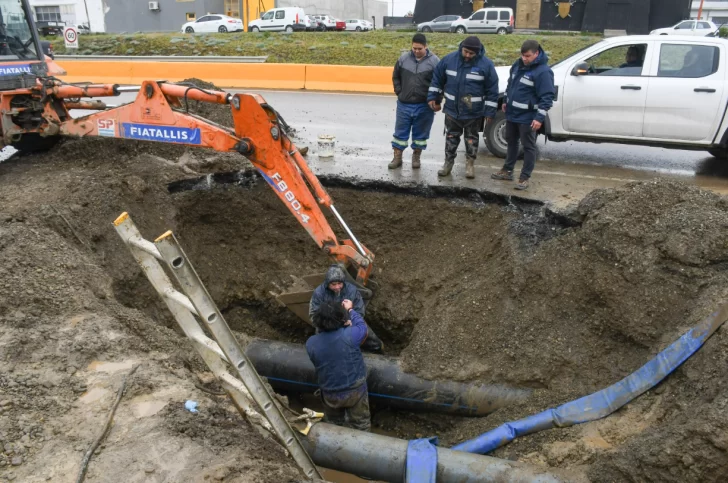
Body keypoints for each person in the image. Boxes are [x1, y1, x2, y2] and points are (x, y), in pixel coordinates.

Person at [427, 36, 499, 179]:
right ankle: (448, 163)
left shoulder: (486, 65)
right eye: (465, 52)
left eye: (471, 54)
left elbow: (492, 90)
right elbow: (437, 79)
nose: (467, 55)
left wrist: (490, 112)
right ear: (461, 48)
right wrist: (433, 97)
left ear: (477, 52)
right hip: (452, 110)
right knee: (451, 137)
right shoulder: (449, 60)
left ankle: (470, 164)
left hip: (474, 112)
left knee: (471, 138)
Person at [491, 40, 555, 190]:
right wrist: (506, 100)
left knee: (528, 147)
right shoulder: (517, 65)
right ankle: (507, 170)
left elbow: (547, 97)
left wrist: (539, 118)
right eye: (523, 55)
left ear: (536, 53)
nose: (524, 59)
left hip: (528, 116)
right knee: (511, 142)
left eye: (528, 56)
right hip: (512, 113)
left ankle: (524, 178)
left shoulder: (543, 72)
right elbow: (510, 84)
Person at [306, 299, 371, 431]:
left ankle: (334, 445)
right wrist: (350, 310)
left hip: (329, 392)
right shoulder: (351, 335)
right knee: (361, 425)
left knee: (334, 426)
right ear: (341, 319)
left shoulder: (311, 343)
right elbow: (363, 328)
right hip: (355, 390)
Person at [390, 33, 440, 170]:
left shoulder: (435, 62)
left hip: (424, 106)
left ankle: (416, 157)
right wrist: (399, 92)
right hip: (404, 104)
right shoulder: (403, 59)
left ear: (426, 46)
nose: (417, 51)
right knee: (400, 133)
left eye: (419, 49)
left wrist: (436, 99)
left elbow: (440, 82)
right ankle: (397, 157)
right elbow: (396, 77)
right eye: (414, 48)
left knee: (420, 135)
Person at [309, 264, 384, 353]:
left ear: (343, 282)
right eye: (333, 284)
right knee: (321, 349)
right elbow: (313, 314)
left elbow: (360, 311)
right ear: (327, 283)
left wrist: (350, 321)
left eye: (339, 283)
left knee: (374, 343)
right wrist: (327, 325)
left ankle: (380, 353)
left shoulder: (352, 290)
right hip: (327, 327)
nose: (337, 287)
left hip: (350, 323)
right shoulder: (319, 293)